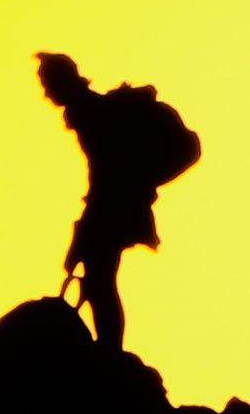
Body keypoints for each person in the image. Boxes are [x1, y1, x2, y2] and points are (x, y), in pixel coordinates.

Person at [37, 51, 200, 351]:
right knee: (99, 280)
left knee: (100, 280)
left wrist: (84, 232)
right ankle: (109, 349)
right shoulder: (89, 112)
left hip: (114, 208)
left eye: (48, 84)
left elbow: (105, 174)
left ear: (63, 81)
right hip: (116, 205)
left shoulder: (90, 115)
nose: (46, 94)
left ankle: (109, 351)